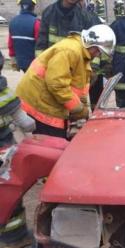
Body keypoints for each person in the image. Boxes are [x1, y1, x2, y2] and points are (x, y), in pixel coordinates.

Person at [16, 25, 116, 138]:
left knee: (60, 139)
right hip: (41, 102)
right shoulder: (70, 51)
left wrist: (83, 109)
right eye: (98, 51)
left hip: (50, 99)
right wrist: (77, 109)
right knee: (52, 144)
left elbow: (79, 87)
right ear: (91, 44)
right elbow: (57, 84)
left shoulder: (83, 54)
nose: (98, 55)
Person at [0, 51, 36, 248]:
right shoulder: (1, 89)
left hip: (4, 143)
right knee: (8, 194)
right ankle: (16, 238)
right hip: (2, 147)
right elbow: (24, 121)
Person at [8, 0, 40, 72]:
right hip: (34, 63)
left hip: (20, 62)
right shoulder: (36, 23)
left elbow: (10, 43)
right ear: (33, 7)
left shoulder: (13, 21)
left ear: (21, 6)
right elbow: (40, 44)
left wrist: (13, 59)